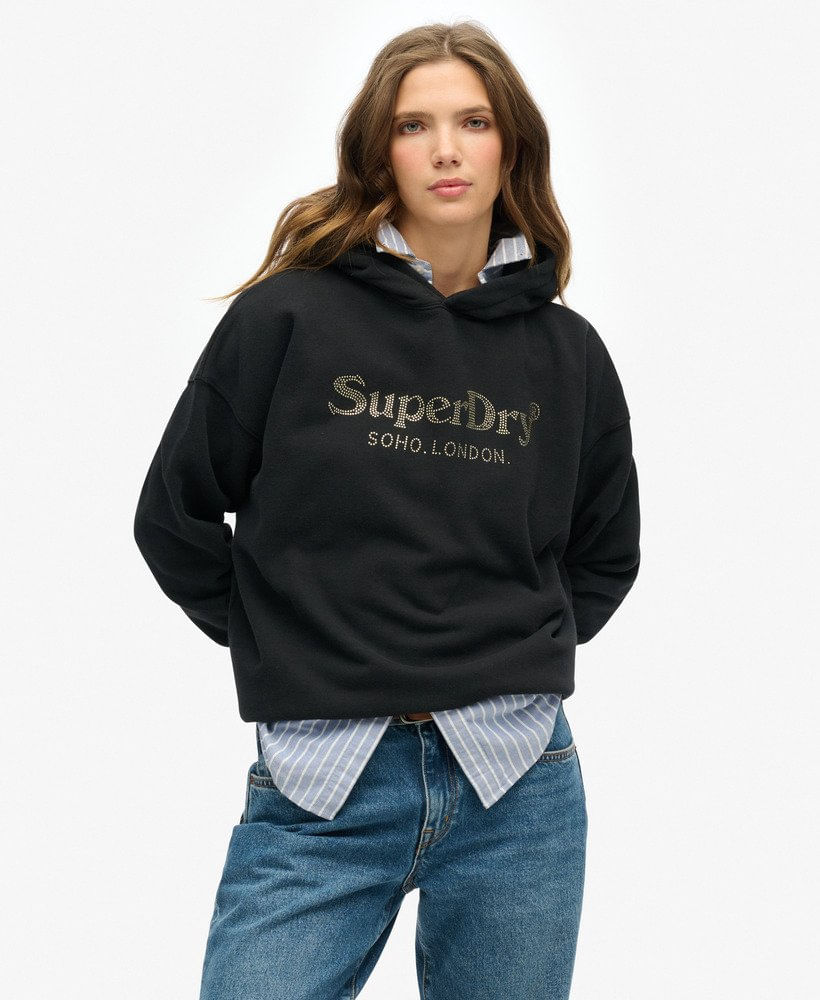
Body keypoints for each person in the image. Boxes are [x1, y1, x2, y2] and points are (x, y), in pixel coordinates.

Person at [133, 20, 640, 1000]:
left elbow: (604, 552)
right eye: (415, 125)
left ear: (511, 147)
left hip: (517, 784)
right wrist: (287, 639)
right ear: (380, 151)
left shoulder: (568, 355)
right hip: (323, 782)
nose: (446, 149)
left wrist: (506, 653)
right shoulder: (285, 319)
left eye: (473, 122)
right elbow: (172, 516)